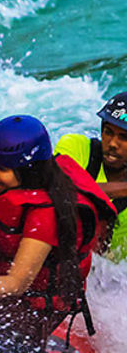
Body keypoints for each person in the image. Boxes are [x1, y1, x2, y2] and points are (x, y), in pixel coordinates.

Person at [0, 115, 116, 353]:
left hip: (30, 301)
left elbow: (15, 284)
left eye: (1, 169)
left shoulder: (47, 213)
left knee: (0, 349)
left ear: (28, 170)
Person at [53, 91, 127, 260]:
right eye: (108, 132)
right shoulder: (75, 148)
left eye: (124, 137)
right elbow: (57, 188)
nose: (113, 143)